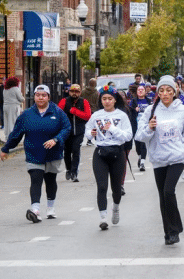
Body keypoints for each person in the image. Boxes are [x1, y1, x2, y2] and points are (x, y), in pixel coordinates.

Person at [135, 75, 184, 245]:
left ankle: (175, 228)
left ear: (175, 91)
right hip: (159, 158)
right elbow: (139, 135)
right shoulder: (150, 111)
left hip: (177, 158)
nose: (165, 94)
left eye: (168, 90)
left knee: (169, 191)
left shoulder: (183, 110)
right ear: (158, 93)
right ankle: (169, 232)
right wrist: (149, 127)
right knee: (162, 196)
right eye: (161, 90)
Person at [1, 84, 70, 222]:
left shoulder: (57, 112)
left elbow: (67, 128)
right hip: (34, 153)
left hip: (52, 153)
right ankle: (35, 209)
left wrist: (56, 139)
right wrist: (6, 148)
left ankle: (51, 208)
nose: (40, 98)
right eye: (38, 95)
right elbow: (16, 134)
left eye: (44, 95)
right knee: (36, 180)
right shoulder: (27, 114)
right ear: (34, 97)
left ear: (48, 97)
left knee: (50, 181)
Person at [85, 89, 133, 229]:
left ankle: (116, 208)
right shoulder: (96, 115)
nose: (107, 101)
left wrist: (112, 128)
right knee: (101, 186)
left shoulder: (122, 115)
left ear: (115, 100)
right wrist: (91, 133)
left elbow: (128, 136)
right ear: (101, 100)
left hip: (117, 152)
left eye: (109, 99)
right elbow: (87, 130)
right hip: (100, 152)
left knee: (116, 187)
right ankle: (103, 217)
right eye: (104, 98)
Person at [59, 83, 92, 182]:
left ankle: (74, 173)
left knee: (76, 150)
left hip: (79, 131)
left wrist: (75, 111)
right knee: (67, 152)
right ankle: (68, 169)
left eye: (77, 92)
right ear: (69, 92)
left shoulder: (84, 102)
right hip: (66, 131)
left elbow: (87, 116)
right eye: (72, 91)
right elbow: (58, 114)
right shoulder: (64, 101)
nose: (74, 93)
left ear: (80, 93)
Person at [130, 84, 151, 171]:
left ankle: (142, 163)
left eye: (142, 89)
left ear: (145, 91)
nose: (140, 91)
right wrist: (135, 110)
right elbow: (130, 113)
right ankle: (140, 157)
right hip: (136, 125)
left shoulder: (149, 101)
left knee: (143, 143)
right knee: (137, 144)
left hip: (145, 126)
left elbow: (152, 112)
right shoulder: (133, 101)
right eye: (139, 90)